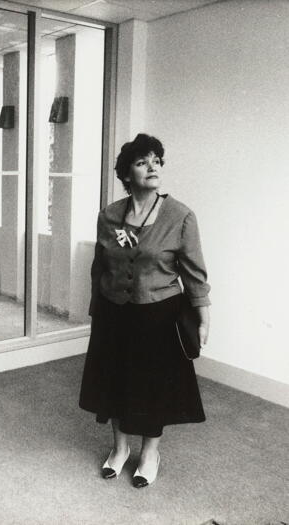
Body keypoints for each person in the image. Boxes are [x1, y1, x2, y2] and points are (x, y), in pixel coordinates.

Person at [79, 133, 211, 488]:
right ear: (127, 174)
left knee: (152, 387)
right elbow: (99, 266)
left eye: (156, 160)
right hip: (113, 312)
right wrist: (97, 309)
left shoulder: (180, 216)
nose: (152, 167)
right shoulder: (109, 216)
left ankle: (150, 453)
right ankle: (120, 449)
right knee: (115, 381)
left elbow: (195, 273)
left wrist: (203, 316)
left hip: (157, 315)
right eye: (142, 162)